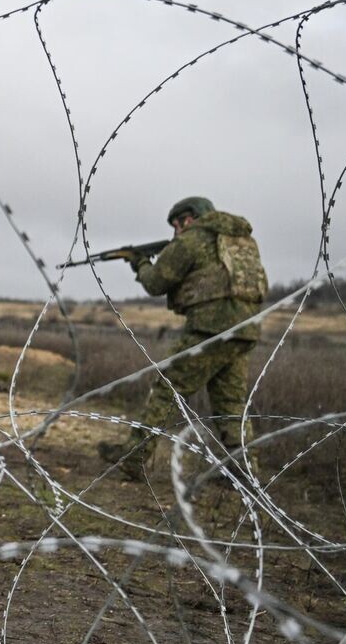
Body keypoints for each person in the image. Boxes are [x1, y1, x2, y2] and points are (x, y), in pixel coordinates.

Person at [97, 196, 268, 482]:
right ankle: (245, 471)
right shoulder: (239, 241)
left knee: (167, 386)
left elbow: (156, 283)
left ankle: (134, 456)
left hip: (210, 327)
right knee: (230, 403)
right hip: (245, 329)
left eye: (177, 223)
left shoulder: (192, 240)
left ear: (189, 219)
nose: (175, 230)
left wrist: (139, 263)